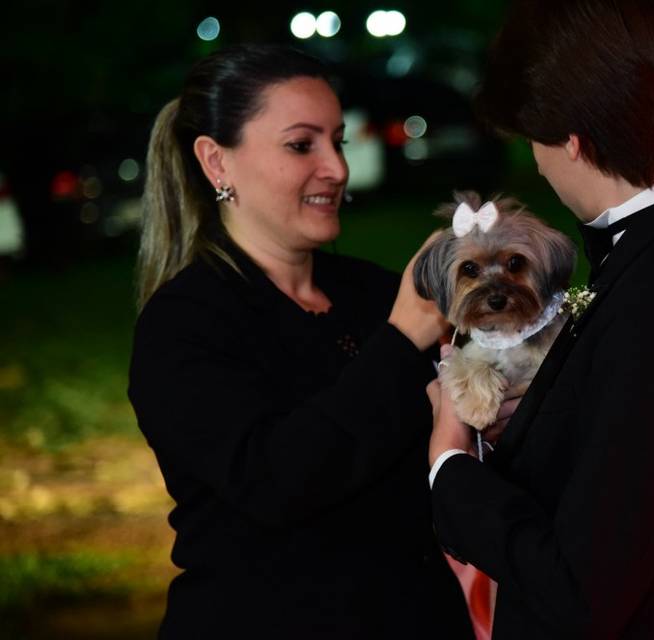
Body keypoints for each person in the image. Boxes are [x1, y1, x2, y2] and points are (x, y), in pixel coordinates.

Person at [426, 1, 654, 638]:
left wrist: (449, 463)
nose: (537, 158)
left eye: (533, 135)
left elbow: (580, 586)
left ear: (572, 138)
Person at [127, 44, 473, 638]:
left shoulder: (370, 291)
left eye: (337, 140)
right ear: (217, 163)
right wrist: (402, 339)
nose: (337, 167)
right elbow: (277, 480)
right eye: (301, 144)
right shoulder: (184, 324)